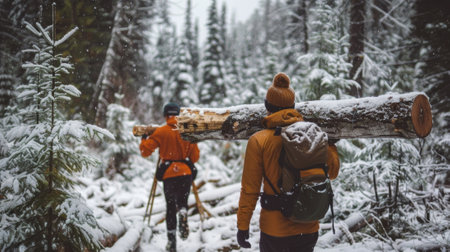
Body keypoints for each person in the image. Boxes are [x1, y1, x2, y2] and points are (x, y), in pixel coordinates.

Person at [236, 73, 340, 252]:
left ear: (267, 106)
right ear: (293, 107)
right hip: (309, 227)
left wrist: (242, 226)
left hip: (275, 230)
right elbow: (332, 172)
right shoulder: (312, 135)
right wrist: (330, 146)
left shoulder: (259, 140)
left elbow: (250, 189)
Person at [140, 102, 200, 252]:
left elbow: (145, 152)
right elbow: (195, 157)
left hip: (169, 175)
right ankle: (184, 212)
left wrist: (144, 138)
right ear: (178, 115)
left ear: (166, 115)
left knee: (170, 207)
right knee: (182, 202)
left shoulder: (161, 132)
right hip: (185, 173)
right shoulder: (186, 131)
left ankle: (172, 243)